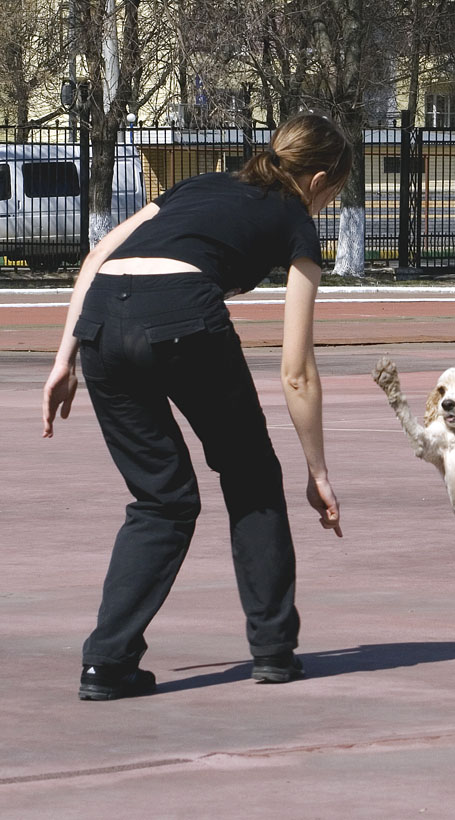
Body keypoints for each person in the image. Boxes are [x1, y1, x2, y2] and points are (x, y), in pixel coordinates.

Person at [42, 112, 352, 700]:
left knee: (161, 498)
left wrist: (66, 358)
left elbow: (97, 256)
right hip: (184, 316)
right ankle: (274, 652)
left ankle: (106, 663)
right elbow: (296, 368)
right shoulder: (295, 217)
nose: (326, 205)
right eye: (333, 194)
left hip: (105, 317)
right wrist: (318, 472)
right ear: (317, 180)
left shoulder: (201, 185)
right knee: (252, 475)